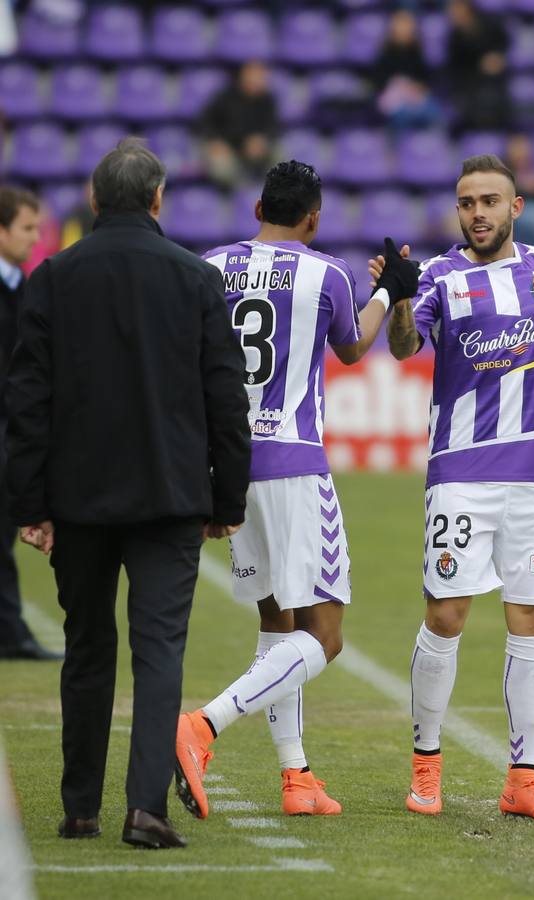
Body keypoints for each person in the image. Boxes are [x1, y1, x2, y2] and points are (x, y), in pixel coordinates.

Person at [5, 138, 252, 848]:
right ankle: (146, 808)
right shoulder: (197, 280)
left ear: (92, 200)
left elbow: (26, 402)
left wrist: (29, 504)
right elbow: (224, 401)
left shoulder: (51, 279)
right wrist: (227, 500)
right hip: (171, 499)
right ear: (157, 199)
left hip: (77, 500)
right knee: (159, 653)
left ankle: (79, 806)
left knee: (86, 649)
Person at [381, 154, 534, 821]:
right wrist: (402, 300)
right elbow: (404, 348)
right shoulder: (438, 276)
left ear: (516, 206)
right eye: (467, 203)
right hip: (460, 475)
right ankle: (426, 766)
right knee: (447, 614)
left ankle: (523, 778)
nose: (478, 213)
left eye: (490, 201)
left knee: (532, 619)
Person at [174, 161, 418, 820]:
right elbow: (352, 347)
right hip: (294, 463)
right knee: (325, 636)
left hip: (227, 467)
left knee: (276, 621)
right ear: (313, 218)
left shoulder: (211, 265)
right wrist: (389, 288)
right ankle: (203, 726)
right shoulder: (326, 273)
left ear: (256, 207)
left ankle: (296, 775)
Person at [0, 185, 62, 662]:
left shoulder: (23, 283)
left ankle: (10, 630)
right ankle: (11, 632)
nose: (35, 237)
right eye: (27, 228)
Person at [196, 60, 278, 191]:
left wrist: (263, 140)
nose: (257, 81)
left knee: (281, 157)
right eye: (252, 76)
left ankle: (273, 192)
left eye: (260, 77)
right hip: (227, 147)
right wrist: (216, 142)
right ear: (243, 76)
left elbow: (274, 127)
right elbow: (205, 123)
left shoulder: (268, 100)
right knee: (221, 169)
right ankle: (241, 194)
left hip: (255, 148)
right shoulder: (224, 97)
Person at [444, 0, 511, 133]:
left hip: (494, 79)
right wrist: (480, 65)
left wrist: (497, 57)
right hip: (469, 83)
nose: (452, 13)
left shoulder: (488, 23)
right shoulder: (455, 37)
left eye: (456, 8)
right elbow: (456, 68)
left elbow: (504, 41)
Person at [371, 9, 439, 132]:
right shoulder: (386, 51)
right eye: (401, 25)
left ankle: (430, 146)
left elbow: (424, 77)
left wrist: (417, 86)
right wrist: (398, 85)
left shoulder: (417, 50)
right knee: (402, 116)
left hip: (416, 95)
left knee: (433, 111)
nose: (405, 28)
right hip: (394, 98)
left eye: (408, 25)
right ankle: (400, 148)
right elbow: (380, 80)